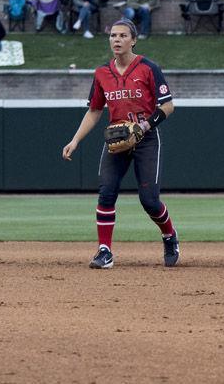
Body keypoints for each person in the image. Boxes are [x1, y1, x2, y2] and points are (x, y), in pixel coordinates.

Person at [62, 18, 179, 270]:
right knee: (106, 192)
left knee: (149, 200)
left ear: (133, 40)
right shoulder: (102, 73)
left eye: (123, 35)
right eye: (113, 35)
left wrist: (144, 127)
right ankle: (105, 251)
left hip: (146, 139)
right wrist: (75, 140)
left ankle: (169, 235)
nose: (116, 40)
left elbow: (168, 106)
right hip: (116, 138)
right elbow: (94, 111)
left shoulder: (148, 68)